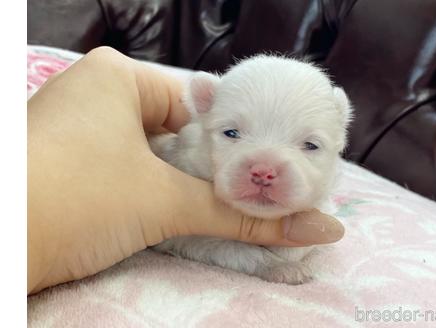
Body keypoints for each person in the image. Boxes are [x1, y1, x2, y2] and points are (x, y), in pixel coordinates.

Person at [27, 47, 345, 295]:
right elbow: (178, 238)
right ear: (202, 108)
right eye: (232, 134)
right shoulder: (178, 169)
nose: (264, 171)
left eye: (310, 146)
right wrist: (260, 263)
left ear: (339, 140)